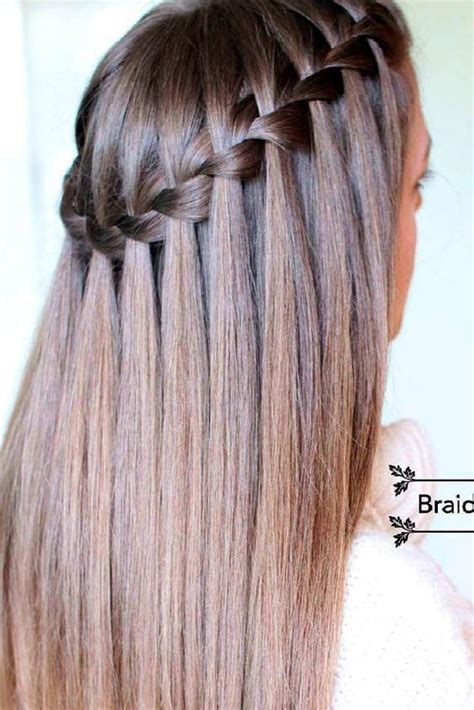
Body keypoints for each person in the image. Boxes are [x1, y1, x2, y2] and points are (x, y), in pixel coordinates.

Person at [0, 0, 472, 708]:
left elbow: (410, 495)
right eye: (416, 187)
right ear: (340, 240)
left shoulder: (39, 541)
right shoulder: (392, 637)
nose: (415, 224)